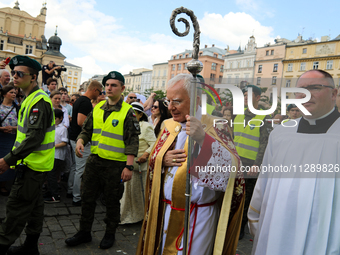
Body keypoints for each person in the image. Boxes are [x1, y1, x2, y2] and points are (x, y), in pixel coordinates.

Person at [136, 74, 245, 255]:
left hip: (198, 215)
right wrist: (161, 160)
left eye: (176, 101)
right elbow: (154, 157)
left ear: (196, 99)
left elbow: (232, 171)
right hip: (167, 210)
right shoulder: (167, 124)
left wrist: (203, 139)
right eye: (168, 100)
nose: (170, 107)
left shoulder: (217, 125)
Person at [248, 69, 340, 255]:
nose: (305, 95)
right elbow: (264, 183)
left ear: (334, 93)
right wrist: (256, 221)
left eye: (315, 87)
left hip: (326, 239)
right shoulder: (280, 134)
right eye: (301, 90)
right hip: (275, 234)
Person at [65, 71, 140, 250]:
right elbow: (87, 129)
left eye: (114, 85)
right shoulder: (97, 108)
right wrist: (81, 140)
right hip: (95, 161)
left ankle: (109, 233)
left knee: (112, 201)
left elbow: (132, 141)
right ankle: (84, 232)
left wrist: (129, 166)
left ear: (122, 88)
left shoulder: (128, 112)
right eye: (107, 85)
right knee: (87, 197)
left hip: (115, 165)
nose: (109, 88)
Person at [0, 55, 55, 255]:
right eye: (13, 73)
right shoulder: (30, 98)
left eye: (19, 74)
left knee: (15, 209)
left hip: (32, 166)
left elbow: (33, 138)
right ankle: (31, 247)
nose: (14, 77)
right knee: (34, 209)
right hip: (34, 165)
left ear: (33, 77)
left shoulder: (38, 102)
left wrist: (7, 160)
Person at [233, 84, 272, 240]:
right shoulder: (238, 114)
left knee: (246, 196)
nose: (246, 98)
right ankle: (230, 224)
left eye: (249, 96)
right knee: (232, 194)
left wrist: (257, 164)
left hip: (251, 164)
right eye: (244, 96)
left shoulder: (264, 117)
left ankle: (240, 227)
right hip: (236, 161)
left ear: (257, 97)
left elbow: (265, 142)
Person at [120, 102, 156, 224]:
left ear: (140, 114)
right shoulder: (126, 124)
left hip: (140, 166)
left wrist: (145, 154)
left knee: (137, 194)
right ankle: (126, 215)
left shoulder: (146, 126)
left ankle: (139, 216)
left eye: (134, 113)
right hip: (127, 165)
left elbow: (154, 144)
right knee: (126, 192)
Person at [67, 80, 102, 205]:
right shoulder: (85, 102)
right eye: (100, 92)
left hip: (74, 138)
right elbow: (81, 122)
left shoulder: (80, 100)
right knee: (81, 169)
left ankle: (70, 190)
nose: (99, 95)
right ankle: (77, 197)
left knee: (75, 167)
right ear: (95, 90)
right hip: (80, 140)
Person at [44, 108, 68, 203]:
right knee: (49, 174)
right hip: (50, 154)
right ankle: (50, 192)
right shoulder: (50, 127)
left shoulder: (63, 129)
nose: (53, 120)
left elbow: (64, 142)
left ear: (61, 118)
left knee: (52, 175)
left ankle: (55, 195)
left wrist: (52, 146)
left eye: (55, 118)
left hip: (57, 155)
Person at [0, 85, 19, 196]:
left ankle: (3, 184)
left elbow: (22, 125)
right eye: (11, 92)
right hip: (1, 137)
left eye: (15, 92)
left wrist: (12, 128)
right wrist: (2, 129)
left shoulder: (17, 108)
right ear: (4, 94)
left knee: (8, 160)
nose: (14, 94)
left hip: (12, 138)